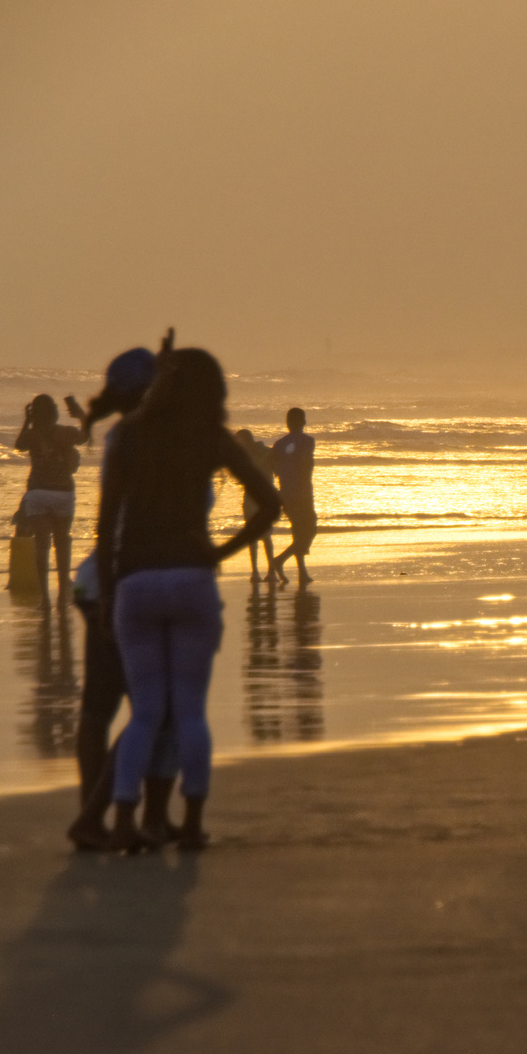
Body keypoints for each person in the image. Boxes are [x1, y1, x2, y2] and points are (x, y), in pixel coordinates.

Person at [97, 347, 281, 853]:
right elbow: (270, 504)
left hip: (136, 581)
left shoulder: (131, 435)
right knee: (189, 712)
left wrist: (110, 590)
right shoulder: (208, 435)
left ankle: (124, 822)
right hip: (191, 578)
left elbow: (108, 519)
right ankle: (193, 821)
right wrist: (221, 550)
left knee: (146, 712)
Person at [65, 345, 184, 851]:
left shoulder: (130, 435)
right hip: (126, 585)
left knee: (103, 706)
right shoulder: (145, 438)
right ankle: (116, 817)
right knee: (155, 710)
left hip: (104, 583)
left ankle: (117, 817)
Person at [14, 395, 89, 607]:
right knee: (62, 542)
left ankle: (45, 598)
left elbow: (18, 445)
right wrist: (81, 415)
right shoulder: (66, 432)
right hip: (63, 492)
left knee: (42, 544)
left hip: (37, 492)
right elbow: (84, 436)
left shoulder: (31, 434)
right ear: (55, 411)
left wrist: (27, 421)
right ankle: (63, 593)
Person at [270, 408, 317, 586]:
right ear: (303, 422)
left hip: (285, 494)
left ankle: (302, 573)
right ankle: (280, 560)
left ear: (287, 423)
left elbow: (274, 469)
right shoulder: (308, 441)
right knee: (310, 530)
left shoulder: (278, 444)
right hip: (302, 493)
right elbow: (305, 464)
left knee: (298, 532)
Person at [235, 428, 278, 581]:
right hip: (250, 497)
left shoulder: (264, 452)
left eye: (239, 441)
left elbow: (274, 469)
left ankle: (271, 571)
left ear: (246, 440)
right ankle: (255, 571)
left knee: (265, 535)